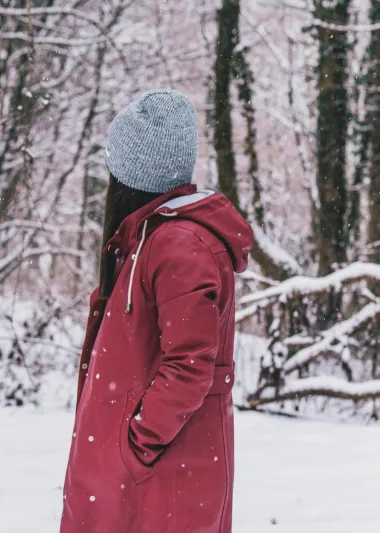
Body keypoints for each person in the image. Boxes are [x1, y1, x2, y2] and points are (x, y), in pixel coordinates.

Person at [60, 89, 253, 533]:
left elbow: (188, 366)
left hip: (159, 477)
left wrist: (134, 446)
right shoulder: (150, 239)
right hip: (140, 477)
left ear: (130, 173)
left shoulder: (179, 245)